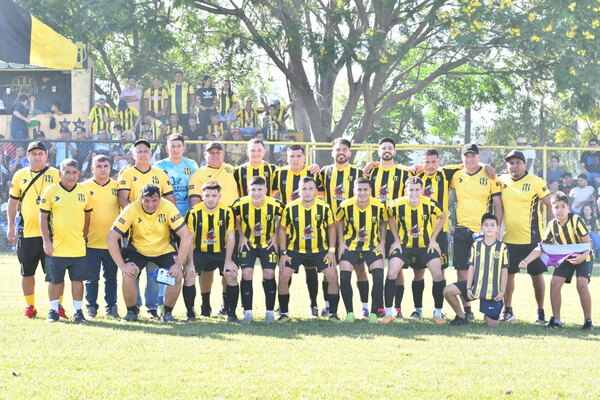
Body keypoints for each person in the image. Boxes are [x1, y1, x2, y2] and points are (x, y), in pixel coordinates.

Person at [107, 184, 192, 322]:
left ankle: (167, 313)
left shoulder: (168, 207)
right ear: (140, 199)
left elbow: (186, 236)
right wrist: (122, 266)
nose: (150, 204)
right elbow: (111, 238)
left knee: (177, 275)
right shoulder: (131, 209)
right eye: (146, 200)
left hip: (163, 249)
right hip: (138, 249)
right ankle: (131, 312)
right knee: (128, 274)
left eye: (154, 200)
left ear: (160, 198)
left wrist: (178, 264)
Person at [117, 139, 176, 318]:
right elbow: (122, 199)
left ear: (151, 154)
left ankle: (152, 308)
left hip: (157, 230)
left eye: (146, 151)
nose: (143, 154)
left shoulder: (159, 173)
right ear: (134, 154)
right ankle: (134, 307)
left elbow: (170, 198)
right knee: (132, 270)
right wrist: (137, 218)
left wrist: (164, 220)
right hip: (134, 229)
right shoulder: (127, 172)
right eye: (139, 151)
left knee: (153, 271)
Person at [519, 192, 594, 330]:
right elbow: (542, 247)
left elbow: (587, 244)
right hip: (565, 256)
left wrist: (582, 257)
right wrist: (526, 261)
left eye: (562, 206)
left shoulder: (576, 220)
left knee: (582, 285)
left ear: (568, 207)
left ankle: (588, 321)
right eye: (556, 207)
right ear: (552, 210)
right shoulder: (552, 225)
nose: (559, 210)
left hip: (584, 255)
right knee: (554, 284)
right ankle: (557, 320)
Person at [7, 142, 62, 318]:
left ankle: (57, 307)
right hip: (28, 232)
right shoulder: (19, 175)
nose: (37, 156)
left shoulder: (57, 174)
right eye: (33, 154)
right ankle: (29, 307)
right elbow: (13, 202)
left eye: (40, 153)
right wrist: (10, 225)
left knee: (55, 273)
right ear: (28, 156)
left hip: (52, 234)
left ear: (46, 155)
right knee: (27, 272)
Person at [449, 143, 503, 320]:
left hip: (483, 232)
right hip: (462, 230)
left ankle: (489, 309)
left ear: (479, 157)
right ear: (462, 158)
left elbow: (497, 205)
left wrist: (497, 229)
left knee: (488, 271)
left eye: (473, 156)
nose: (470, 159)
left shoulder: (489, 174)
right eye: (466, 156)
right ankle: (468, 310)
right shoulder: (456, 175)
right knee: (462, 271)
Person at [499, 150, 553, 323]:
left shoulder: (536, 181)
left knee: (536, 275)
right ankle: (508, 311)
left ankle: (540, 311)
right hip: (509, 238)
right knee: (508, 275)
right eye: (511, 163)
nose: (514, 166)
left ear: (524, 164)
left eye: (517, 162)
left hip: (532, 239)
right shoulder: (501, 181)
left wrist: (553, 231)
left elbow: (550, 206)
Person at [319, 138, 370, 318]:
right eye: (337, 149)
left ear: (349, 153)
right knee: (329, 269)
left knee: (359, 268)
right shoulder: (324, 172)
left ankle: (364, 307)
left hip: (354, 228)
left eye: (344, 150)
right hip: (329, 227)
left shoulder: (357, 172)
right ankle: (327, 306)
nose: (341, 152)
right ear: (333, 152)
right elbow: (314, 192)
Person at [277, 177, 340, 322]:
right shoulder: (290, 207)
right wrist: (283, 253)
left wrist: (331, 251)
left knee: (332, 277)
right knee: (283, 276)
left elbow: (331, 228)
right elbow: (281, 229)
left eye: (311, 189)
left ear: (316, 191)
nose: (307, 192)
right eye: (304, 189)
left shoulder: (324, 207)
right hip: (295, 250)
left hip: (319, 250)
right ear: (299, 191)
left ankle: (333, 314)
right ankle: (284, 313)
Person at [408, 149, 462, 318]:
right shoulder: (417, 177)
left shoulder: (445, 174)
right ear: (422, 163)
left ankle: (438, 311)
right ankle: (418, 310)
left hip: (441, 232)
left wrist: (485, 166)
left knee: (439, 272)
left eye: (433, 162)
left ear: (438, 161)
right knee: (418, 272)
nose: (430, 165)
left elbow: (467, 164)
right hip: (419, 232)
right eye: (426, 162)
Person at [386, 176, 447, 324]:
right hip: (404, 247)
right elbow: (389, 217)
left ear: (422, 190)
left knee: (438, 274)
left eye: (417, 190)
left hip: (425, 246)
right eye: (411, 189)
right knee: (392, 272)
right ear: (406, 190)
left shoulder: (430, 203)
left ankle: (437, 313)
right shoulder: (395, 204)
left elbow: (443, 216)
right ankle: (388, 313)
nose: (414, 193)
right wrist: (395, 239)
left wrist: (433, 239)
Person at [40, 158, 92, 323]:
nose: (70, 176)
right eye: (67, 172)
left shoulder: (84, 191)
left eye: (74, 172)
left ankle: (78, 312)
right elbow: (42, 217)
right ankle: (53, 311)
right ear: (59, 173)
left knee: (78, 280)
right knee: (55, 280)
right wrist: (46, 241)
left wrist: (83, 235)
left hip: (78, 247)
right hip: (57, 247)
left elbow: (87, 215)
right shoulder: (50, 191)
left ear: (79, 173)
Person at [363, 137, 411, 318]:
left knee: (396, 269)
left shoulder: (404, 172)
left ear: (395, 151)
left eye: (390, 148)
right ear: (378, 151)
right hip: (374, 227)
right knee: (375, 269)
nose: (387, 151)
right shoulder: (371, 172)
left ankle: (397, 307)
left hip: (397, 228)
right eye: (383, 148)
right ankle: (377, 306)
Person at [272, 144, 322, 317]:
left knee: (311, 267)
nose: (295, 159)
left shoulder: (312, 173)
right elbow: (271, 196)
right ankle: (283, 307)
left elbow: (321, 194)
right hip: (287, 227)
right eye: (291, 156)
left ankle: (313, 305)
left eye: (298, 156)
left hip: (309, 226)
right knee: (286, 266)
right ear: (287, 157)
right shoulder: (279, 173)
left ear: (304, 157)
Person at [231, 176, 284, 323]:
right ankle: (247, 313)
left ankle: (269, 313)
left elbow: (284, 219)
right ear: (248, 190)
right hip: (248, 243)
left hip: (267, 244)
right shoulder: (239, 203)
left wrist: (275, 236)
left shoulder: (276, 204)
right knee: (247, 273)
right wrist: (241, 235)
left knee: (269, 273)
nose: (256, 193)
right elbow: (234, 218)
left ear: (266, 190)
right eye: (253, 189)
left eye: (260, 189)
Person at [185, 181, 240, 322]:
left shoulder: (227, 211)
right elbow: (189, 240)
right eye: (207, 195)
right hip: (200, 251)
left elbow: (231, 237)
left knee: (231, 275)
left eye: (214, 195)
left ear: (219, 196)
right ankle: (191, 315)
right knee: (190, 275)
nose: (210, 199)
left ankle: (232, 314)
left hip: (221, 251)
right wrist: (190, 263)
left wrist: (228, 261)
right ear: (202, 196)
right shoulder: (193, 213)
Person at [335, 177, 387, 323]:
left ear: (370, 191)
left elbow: (384, 221)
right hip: (350, 247)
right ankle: (350, 313)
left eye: (365, 190)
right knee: (344, 277)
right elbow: (338, 220)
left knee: (378, 277)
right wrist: (341, 242)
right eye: (359, 189)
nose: (362, 193)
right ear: (354, 191)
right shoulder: (345, 205)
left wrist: (382, 243)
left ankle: (373, 314)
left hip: (372, 247)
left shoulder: (379, 205)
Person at [443, 213, 508, 327]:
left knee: (492, 325)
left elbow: (504, 271)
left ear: (497, 228)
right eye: (486, 225)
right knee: (448, 291)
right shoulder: (475, 246)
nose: (489, 227)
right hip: (475, 285)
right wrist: (468, 288)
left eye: (492, 225)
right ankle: (461, 317)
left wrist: (502, 291)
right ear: (481, 228)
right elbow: (471, 268)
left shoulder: (502, 248)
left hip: (492, 290)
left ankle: (490, 311)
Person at [82, 155, 121, 319]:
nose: (103, 169)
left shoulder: (117, 186)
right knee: (91, 278)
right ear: (92, 169)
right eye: (99, 166)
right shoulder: (84, 187)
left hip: (112, 243)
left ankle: (111, 307)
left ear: (110, 168)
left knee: (111, 277)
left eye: (105, 166)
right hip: (91, 241)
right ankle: (91, 307)